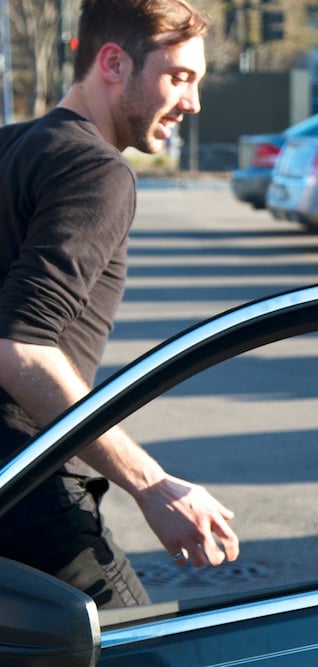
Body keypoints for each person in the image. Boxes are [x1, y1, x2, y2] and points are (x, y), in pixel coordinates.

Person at [0, 0, 239, 609]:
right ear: (112, 62)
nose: (193, 102)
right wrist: (152, 484)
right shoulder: (96, 170)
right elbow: (21, 348)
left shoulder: (11, 147)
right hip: (31, 491)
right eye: (179, 77)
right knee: (135, 649)